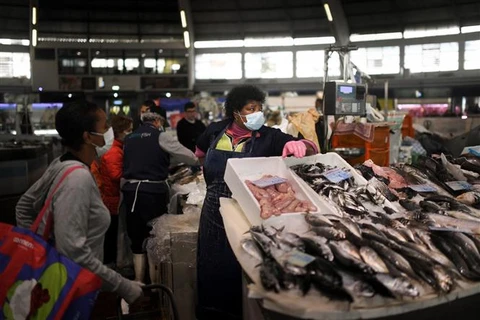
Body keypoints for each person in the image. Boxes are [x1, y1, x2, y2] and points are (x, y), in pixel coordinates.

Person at [195, 85, 318, 320]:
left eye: (259, 108)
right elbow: (200, 152)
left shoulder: (269, 136)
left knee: (244, 261)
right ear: (235, 112)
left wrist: (302, 145)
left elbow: (308, 146)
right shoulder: (214, 131)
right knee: (212, 263)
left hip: (248, 207)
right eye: (251, 108)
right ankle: (212, 313)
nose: (257, 113)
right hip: (213, 207)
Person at [15, 100, 142, 305]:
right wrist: (123, 286)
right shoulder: (77, 179)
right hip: (71, 289)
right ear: (88, 136)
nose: (109, 132)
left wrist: (37, 247)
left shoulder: (61, 163)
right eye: (104, 127)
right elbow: (73, 249)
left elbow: (23, 206)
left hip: (72, 282)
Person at [122, 108, 199, 284]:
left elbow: (141, 157)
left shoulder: (129, 138)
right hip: (152, 192)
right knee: (154, 235)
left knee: (136, 236)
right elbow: (188, 156)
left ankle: (139, 281)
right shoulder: (161, 136)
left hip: (131, 192)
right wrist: (197, 160)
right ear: (158, 122)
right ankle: (156, 285)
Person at [91, 115, 133, 266]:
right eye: (128, 131)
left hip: (111, 197)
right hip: (112, 199)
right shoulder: (114, 151)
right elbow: (116, 175)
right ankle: (110, 264)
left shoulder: (116, 148)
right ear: (119, 131)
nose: (131, 134)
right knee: (112, 235)